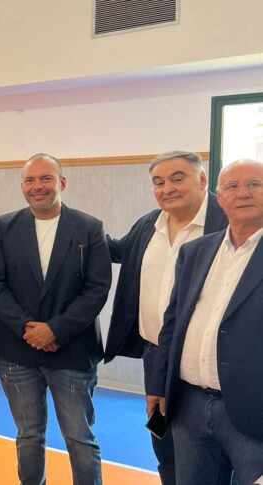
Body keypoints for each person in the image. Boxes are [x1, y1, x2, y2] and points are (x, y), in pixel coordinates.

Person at [0, 153, 111, 485]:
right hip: (16, 352)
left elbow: (97, 288)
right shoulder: (4, 226)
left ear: (61, 182)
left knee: (79, 439)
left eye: (45, 179)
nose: (37, 186)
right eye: (29, 180)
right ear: (22, 186)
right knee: (28, 436)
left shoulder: (89, 227)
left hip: (72, 350)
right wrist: (27, 328)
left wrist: (55, 329)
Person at [104, 150, 227, 485]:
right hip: (157, 356)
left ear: (202, 179)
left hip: (214, 362)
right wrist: (75, 229)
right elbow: (118, 250)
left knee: (218, 458)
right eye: (158, 182)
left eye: (177, 178)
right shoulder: (148, 224)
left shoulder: (229, 221)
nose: (167, 188)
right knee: (166, 447)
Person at [147, 159, 263, 485]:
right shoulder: (196, 252)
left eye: (254, 184)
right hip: (189, 406)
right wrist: (158, 384)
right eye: (232, 186)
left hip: (252, 410)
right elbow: (173, 323)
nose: (243, 193)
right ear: (219, 197)